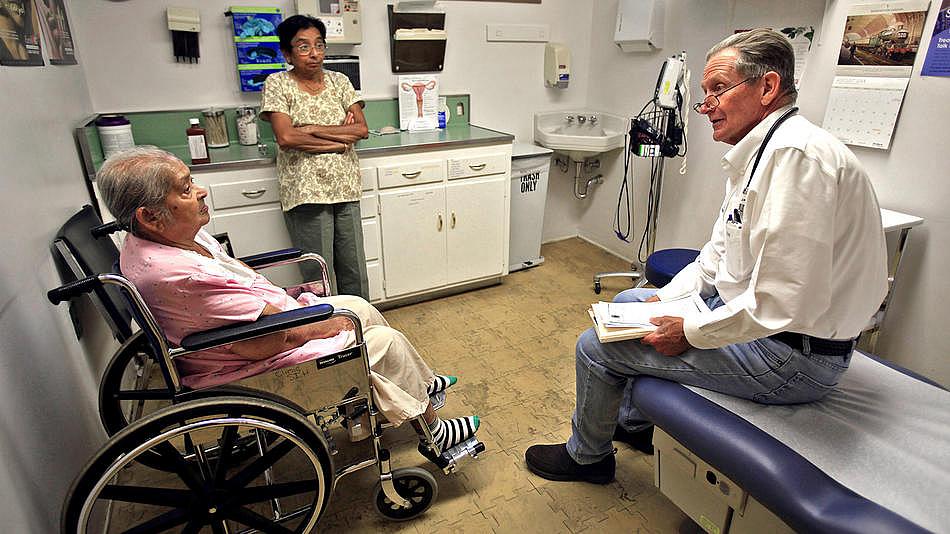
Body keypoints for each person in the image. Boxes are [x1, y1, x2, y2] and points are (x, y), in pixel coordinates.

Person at [525, 28, 888, 484]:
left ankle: (588, 458)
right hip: (760, 326)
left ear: (767, 88)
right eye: (704, 94)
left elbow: (781, 303)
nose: (706, 106)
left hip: (793, 357)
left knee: (595, 347)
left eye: (718, 89)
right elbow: (715, 255)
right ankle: (635, 425)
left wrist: (691, 332)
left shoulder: (797, 160)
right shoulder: (761, 153)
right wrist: (665, 300)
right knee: (629, 306)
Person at [96, 147, 480, 454]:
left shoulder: (160, 239)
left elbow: (236, 281)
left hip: (263, 325)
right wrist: (325, 323)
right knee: (376, 334)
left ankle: (410, 387)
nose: (200, 191)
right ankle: (433, 429)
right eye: (184, 188)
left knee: (359, 307)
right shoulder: (180, 273)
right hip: (250, 357)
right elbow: (268, 341)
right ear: (150, 216)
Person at [259, 15, 370, 298]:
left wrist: (311, 128)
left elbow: (361, 129)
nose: (315, 54)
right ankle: (329, 333)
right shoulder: (278, 83)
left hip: (345, 187)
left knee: (353, 267)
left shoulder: (340, 81)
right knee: (319, 271)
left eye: (319, 45)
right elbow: (286, 137)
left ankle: (363, 327)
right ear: (287, 53)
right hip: (306, 192)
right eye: (304, 47)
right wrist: (337, 142)